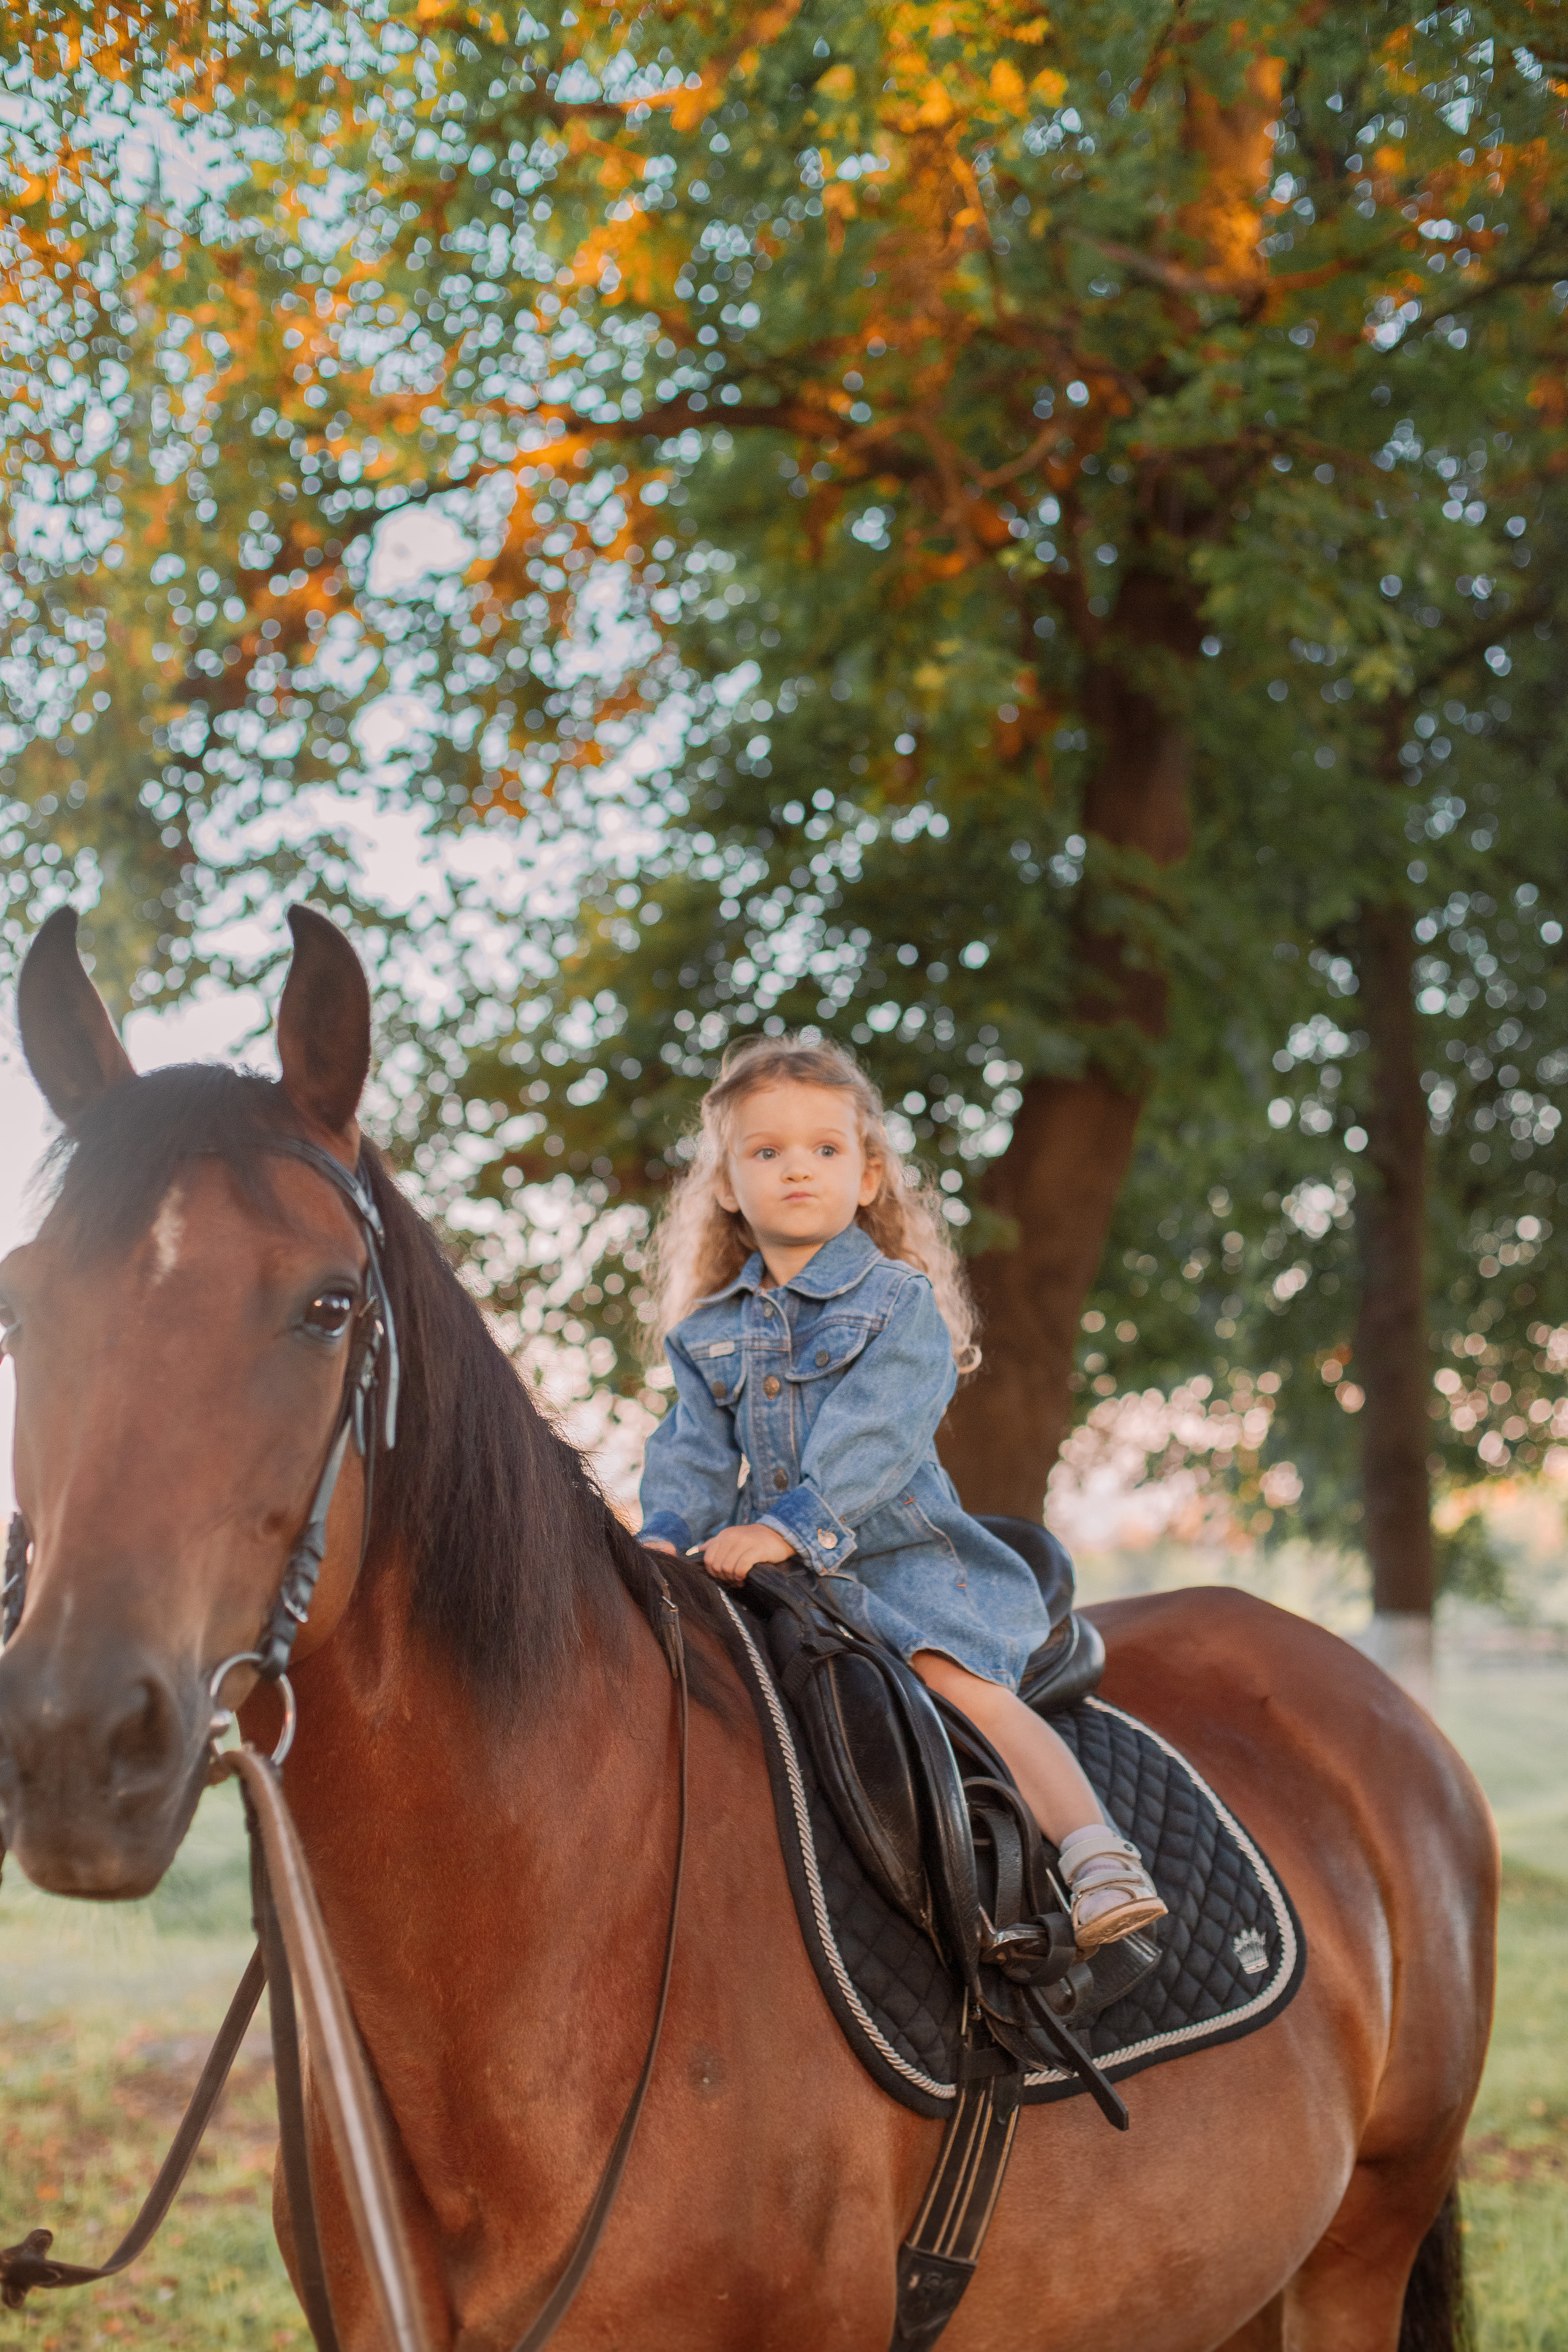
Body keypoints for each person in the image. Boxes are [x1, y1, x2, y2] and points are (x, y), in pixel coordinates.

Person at [638, 1035, 1166, 1953]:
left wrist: (785, 1527)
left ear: (869, 1176)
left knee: (950, 1677)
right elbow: (689, 1448)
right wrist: (665, 1533)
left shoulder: (896, 1303)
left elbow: (872, 1443)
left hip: (896, 1558)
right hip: (769, 1572)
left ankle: (1094, 1854)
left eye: (825, 1150)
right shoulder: (708, 1332)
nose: (796, 1169)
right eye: (766, 1153)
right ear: (726, 1185)